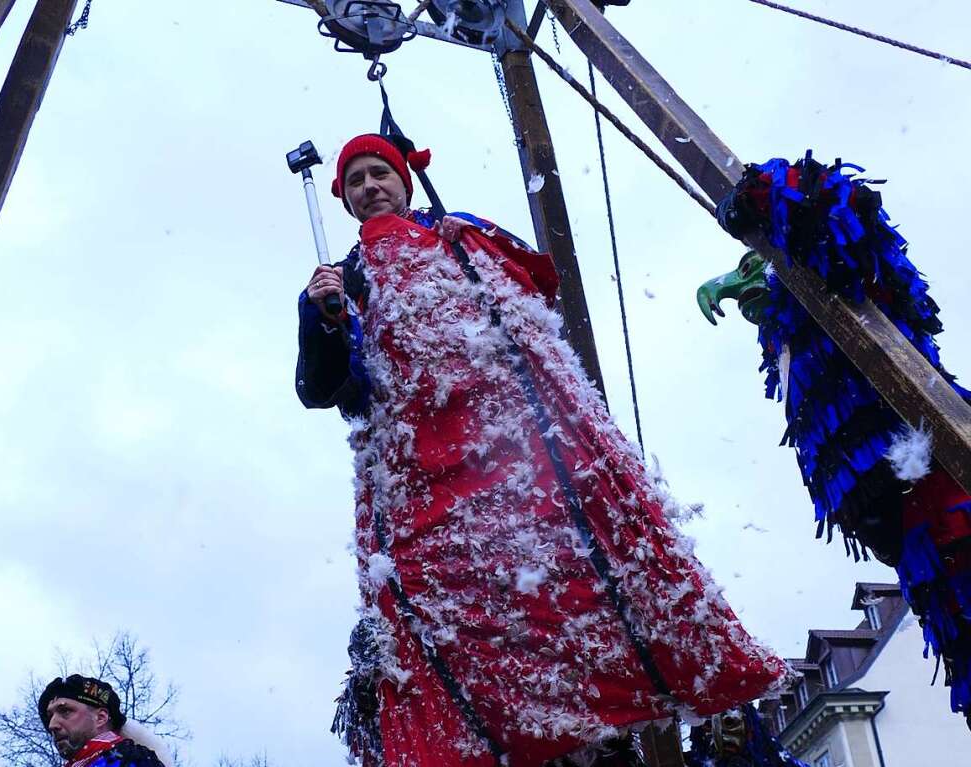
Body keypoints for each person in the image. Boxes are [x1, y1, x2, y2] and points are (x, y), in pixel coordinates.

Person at [297, 134, 790, 767]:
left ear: (404, 181)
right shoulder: (339, 282)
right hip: (420, 475)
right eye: (357, 179)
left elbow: (532, 295)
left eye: (379, 173)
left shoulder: (456, 235)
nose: (370, 186)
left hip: (509, 451)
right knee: (466, 610)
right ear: (344, 198)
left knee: (565, 580)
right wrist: (322, 322)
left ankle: (600, 724)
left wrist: (468, 252)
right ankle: (515, 729)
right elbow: (321, 387)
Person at [39, 675, 168, 767]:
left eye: (65, 711)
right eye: (50, 716)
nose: (52, 725)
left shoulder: (131, 759)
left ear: (100, 718)